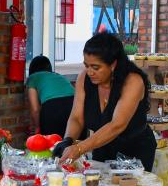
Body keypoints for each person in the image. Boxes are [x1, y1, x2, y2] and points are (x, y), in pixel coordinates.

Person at [59, 33, 156, 170]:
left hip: (135, 151)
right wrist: (67, 141)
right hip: (101, 146)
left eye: (96, 67)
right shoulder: (84, 78)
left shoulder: (133, 81)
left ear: (113, 64)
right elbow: (76, 118)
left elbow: (117, 125)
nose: (90, 72)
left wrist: (80, 148)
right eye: (86, 65)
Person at [26, 56, 75, 136]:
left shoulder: (32, 78)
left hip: (53, 108)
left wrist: (37, 127)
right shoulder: (58, 76)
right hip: (74, 105)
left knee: (51, 144)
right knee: (71, 142)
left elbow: (35, 109)